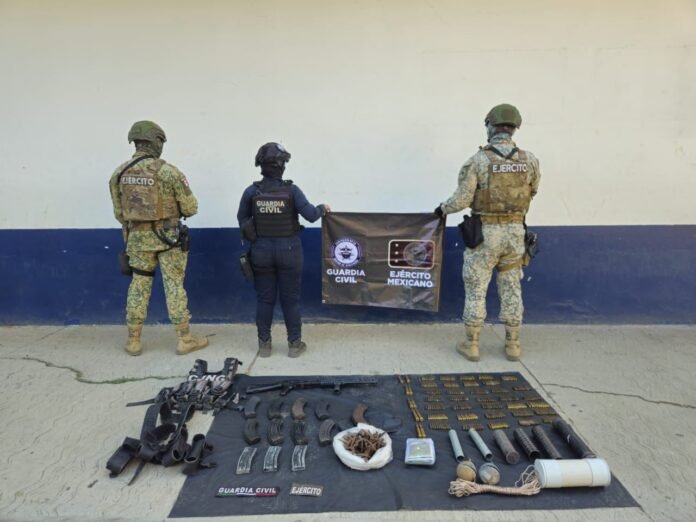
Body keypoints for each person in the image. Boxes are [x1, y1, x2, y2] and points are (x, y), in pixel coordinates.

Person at [435, 104, 541, 361]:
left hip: (485, 235)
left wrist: (441, 210)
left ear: (490, 127)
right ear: (514, 129)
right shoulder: (529, 160)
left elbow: (462, 199)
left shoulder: (479, 161)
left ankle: (471, 344)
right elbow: (533, 191)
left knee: (476, 286)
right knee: (512, 287)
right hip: (515, 233)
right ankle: (513, 344)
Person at [109, 120, 209, 356]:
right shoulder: (168, 172)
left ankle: (133, 340)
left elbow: (119, 214)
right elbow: (191, 207)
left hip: (137, 240)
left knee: (139, 285)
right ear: (156, 142)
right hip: (168, 240)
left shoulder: (119, 173)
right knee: (174, 286)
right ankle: (185, 339)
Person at [237, 142, 330, 358]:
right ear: (281, 166)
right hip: (289, 251)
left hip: (261, 251)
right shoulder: (292, 191)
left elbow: (242, 219)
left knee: (265, 300)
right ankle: (294, 344)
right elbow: (311, 215)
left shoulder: (251, 192)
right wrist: (323, 208)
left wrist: (256, 236)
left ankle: (264, 345)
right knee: (290, 300)